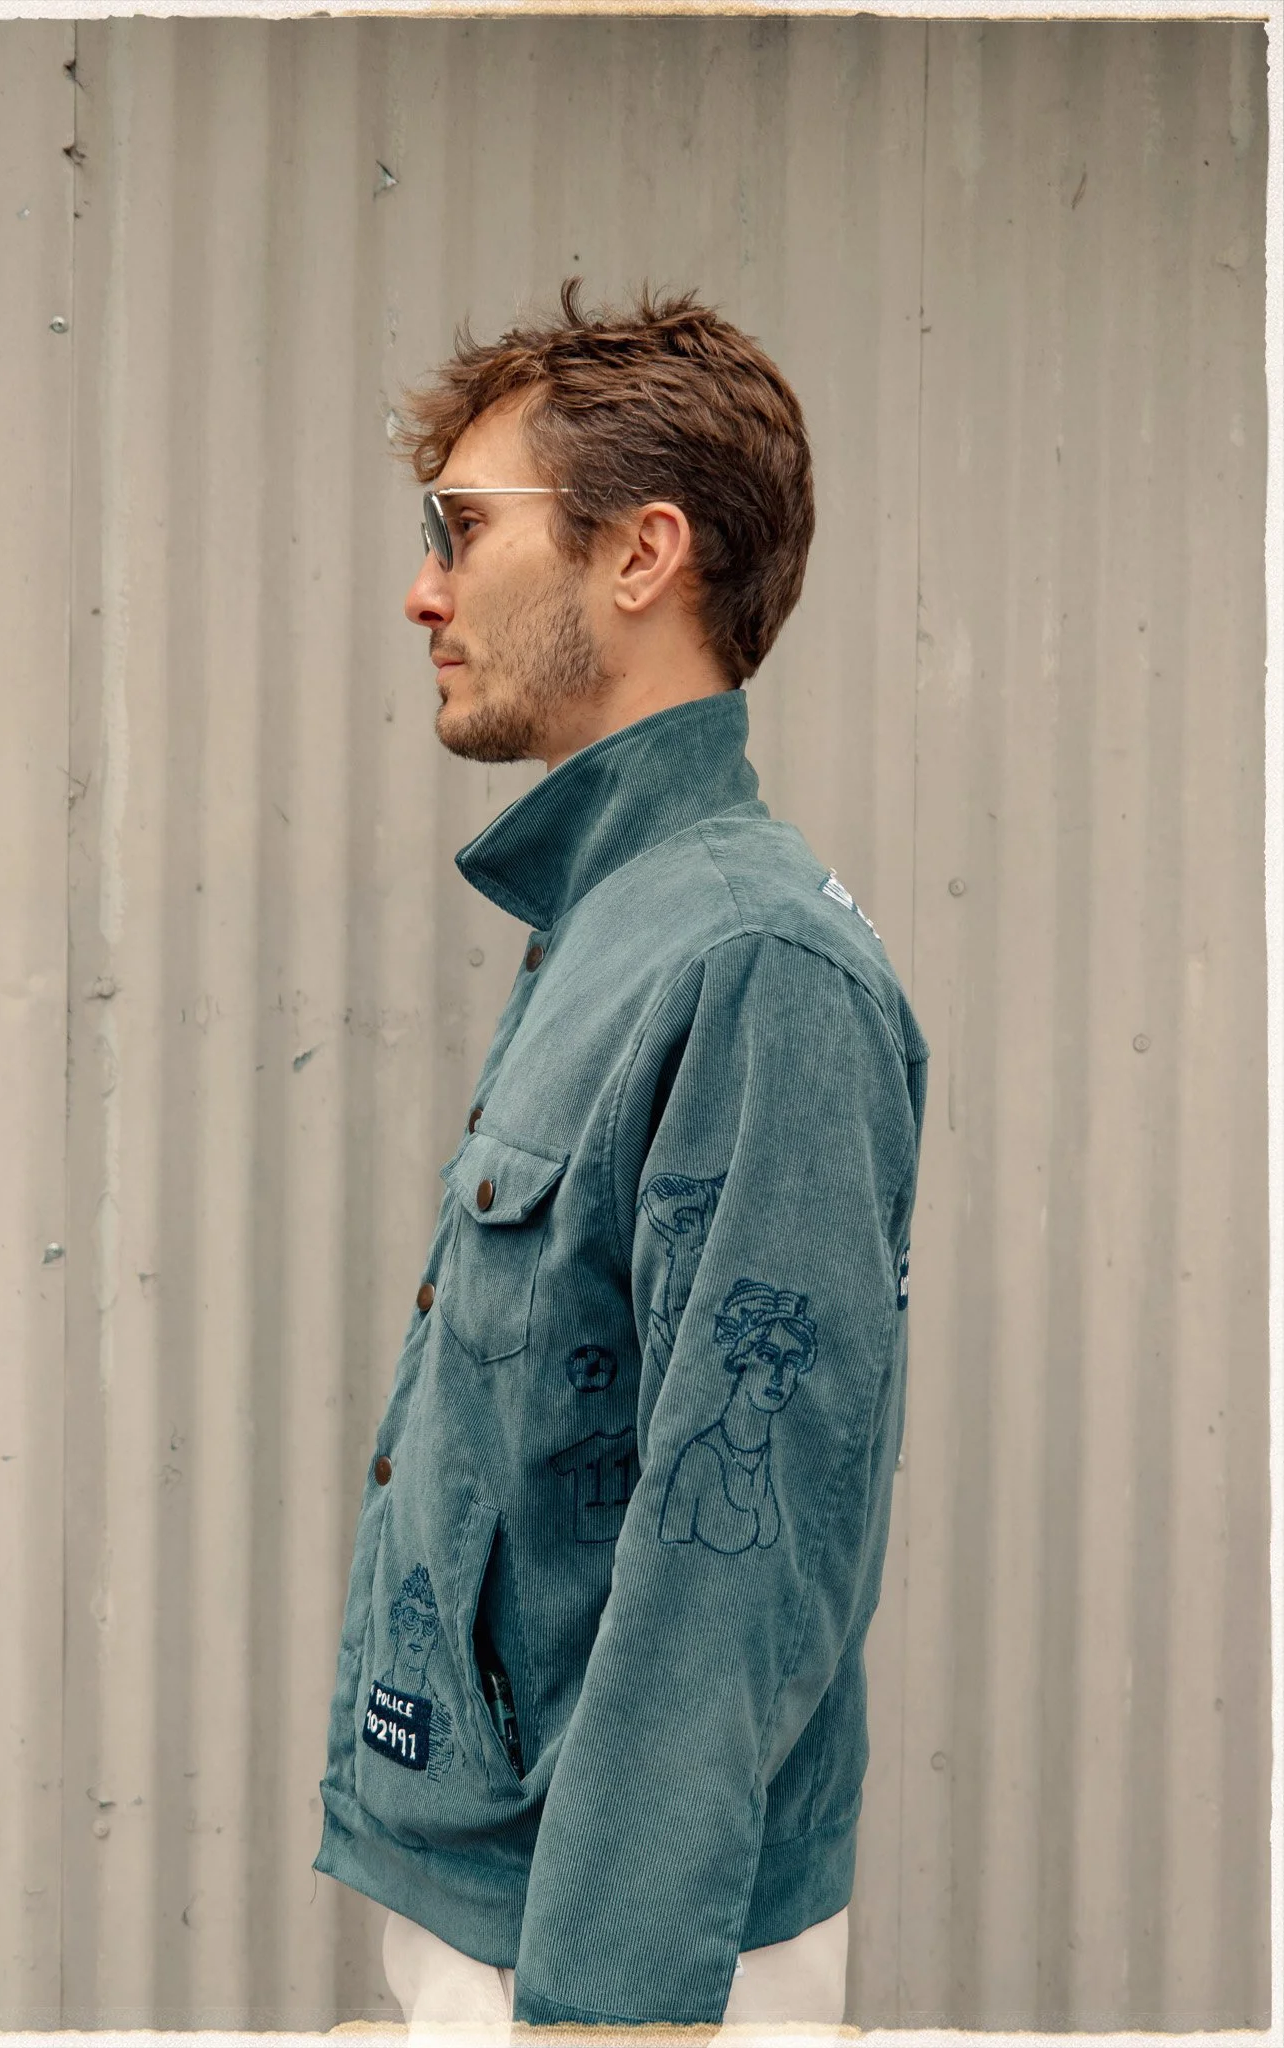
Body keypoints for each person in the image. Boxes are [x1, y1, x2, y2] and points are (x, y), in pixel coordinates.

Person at [314, 281, 929, 2035]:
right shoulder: (619, 923)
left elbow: (738, 1552)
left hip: (610, 1961)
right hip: (501, 1902)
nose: (424, 588)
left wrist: (604, 2010)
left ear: (641, 554)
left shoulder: (751, 963)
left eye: (466, 529)